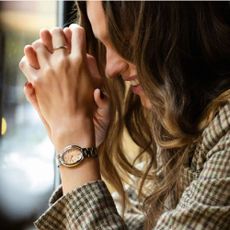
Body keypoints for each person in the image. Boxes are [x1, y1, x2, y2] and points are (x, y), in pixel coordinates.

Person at [19, 1, 230, 229]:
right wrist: (81, 142)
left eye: (125, 42)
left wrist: (74, 143)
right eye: (104, 44)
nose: (111, 68)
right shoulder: (186, 117)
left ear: (177, 26)